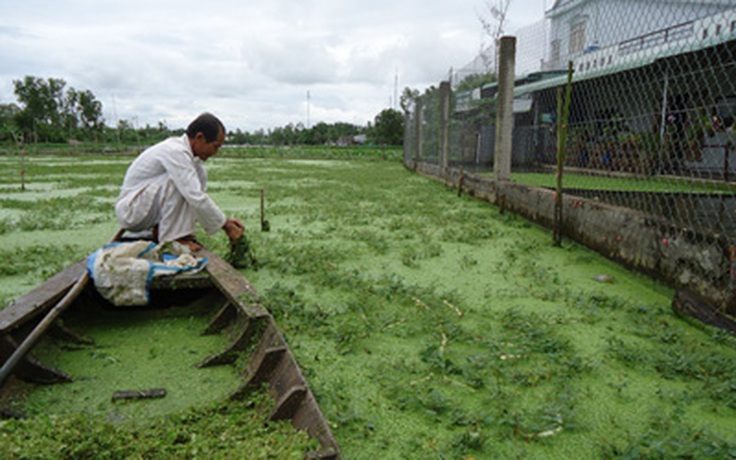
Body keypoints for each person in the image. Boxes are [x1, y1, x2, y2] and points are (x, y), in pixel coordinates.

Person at [115, 112, 244, 251]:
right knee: (182, 182)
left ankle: (176, 233)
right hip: (131, 211)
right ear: (199, 137)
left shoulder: (192, 162)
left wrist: (225, 221)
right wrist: (225, 225)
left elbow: (197, 198)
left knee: (194, 177)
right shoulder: (176, 151)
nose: (215, 153)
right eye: (215, 146)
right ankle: (173, 238)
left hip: (144, 209)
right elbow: (194, 196)